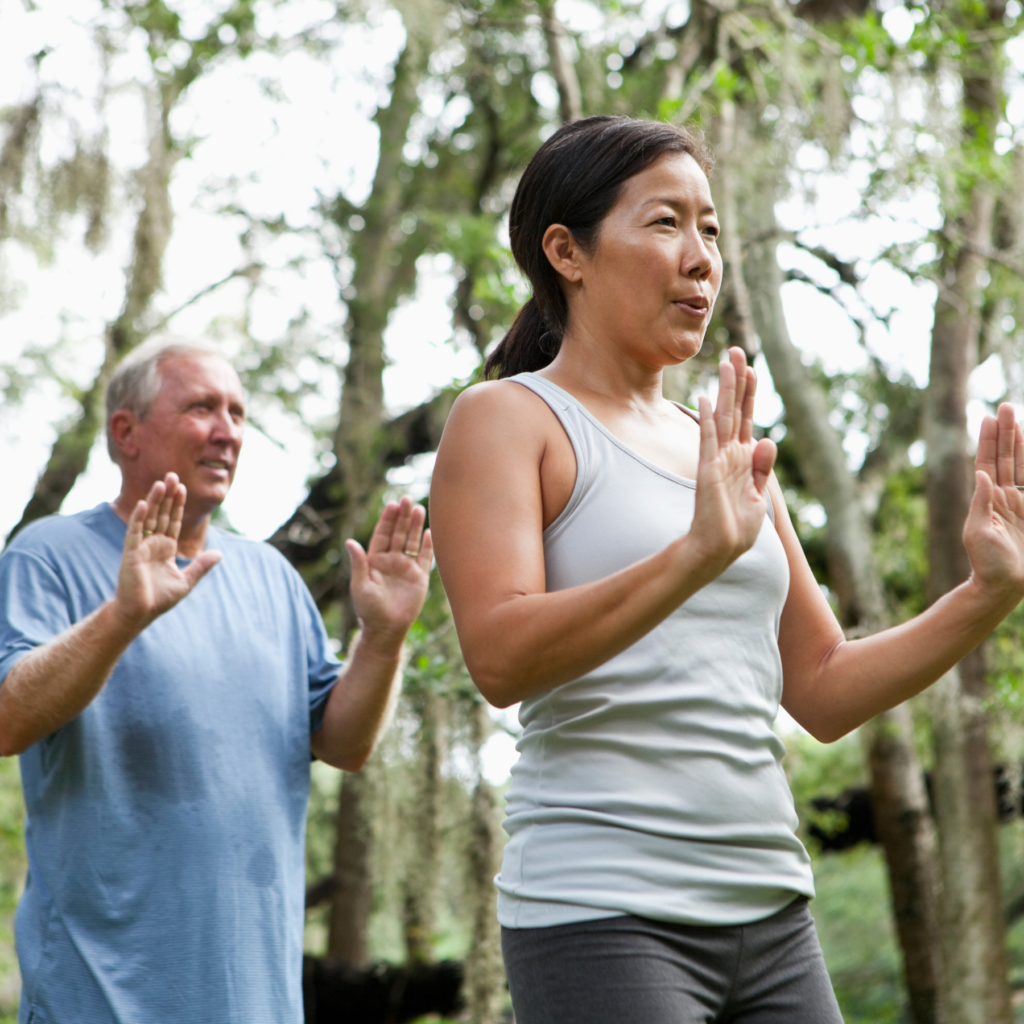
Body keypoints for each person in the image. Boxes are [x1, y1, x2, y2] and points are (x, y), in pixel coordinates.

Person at [428, 115, 1024, 1024]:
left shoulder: (730, 455)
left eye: (710, 228)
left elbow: (822, 689)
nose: (702, 256)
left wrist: (986, 595)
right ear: (567, 253)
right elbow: (500, 658)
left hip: (773, 912)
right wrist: (695, 553)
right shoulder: (508, 419)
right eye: (665, 223)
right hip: (602, 914)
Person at [0, 335, 433, 1024]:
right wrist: (123, 616)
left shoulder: (270, 576)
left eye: (237, 411)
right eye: (203, 408)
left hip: (257, 1003)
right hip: (99, 1002)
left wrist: (382, 638)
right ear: (126, 432)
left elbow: (344, 744)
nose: (228, 432)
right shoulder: (47, 555)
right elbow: (7, 719)